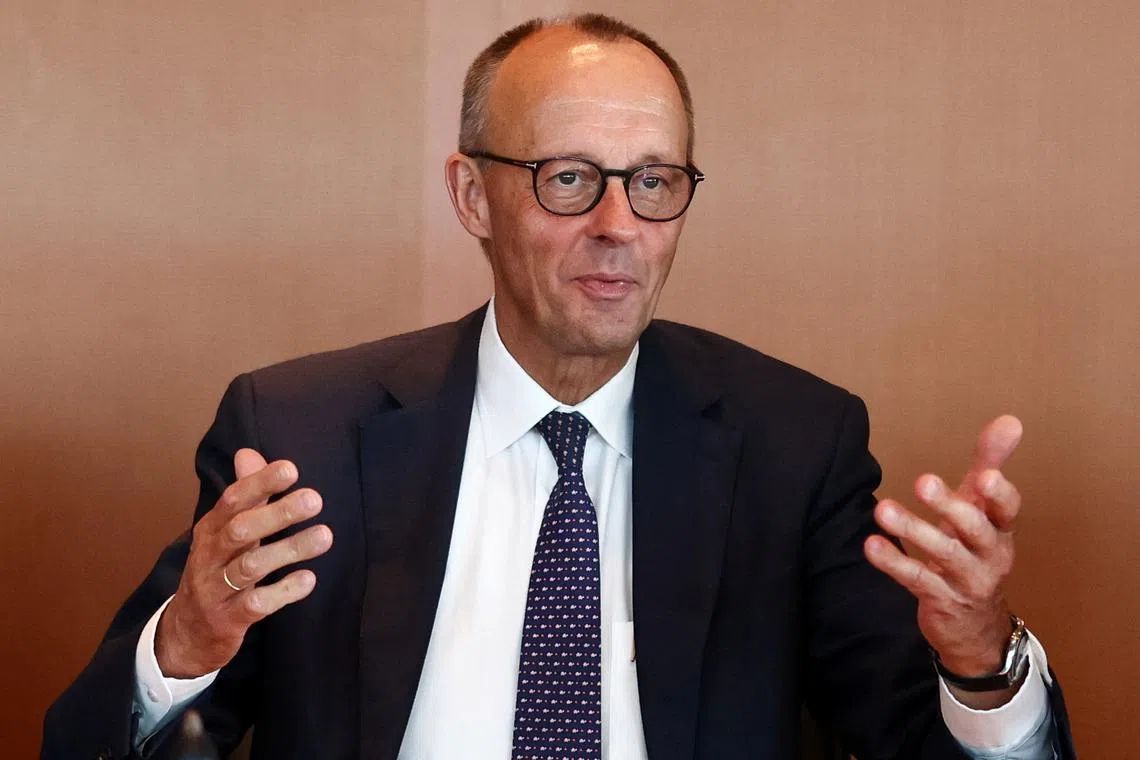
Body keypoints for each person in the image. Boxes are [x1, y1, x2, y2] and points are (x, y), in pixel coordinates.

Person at [43, 14, 1076, 760]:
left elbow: (917, 740)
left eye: (655, 182)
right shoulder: (303, 434)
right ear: (472, 195)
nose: (619, 226)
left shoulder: (792, 445)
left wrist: (982, 657)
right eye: (569, 177)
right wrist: (185, 645)